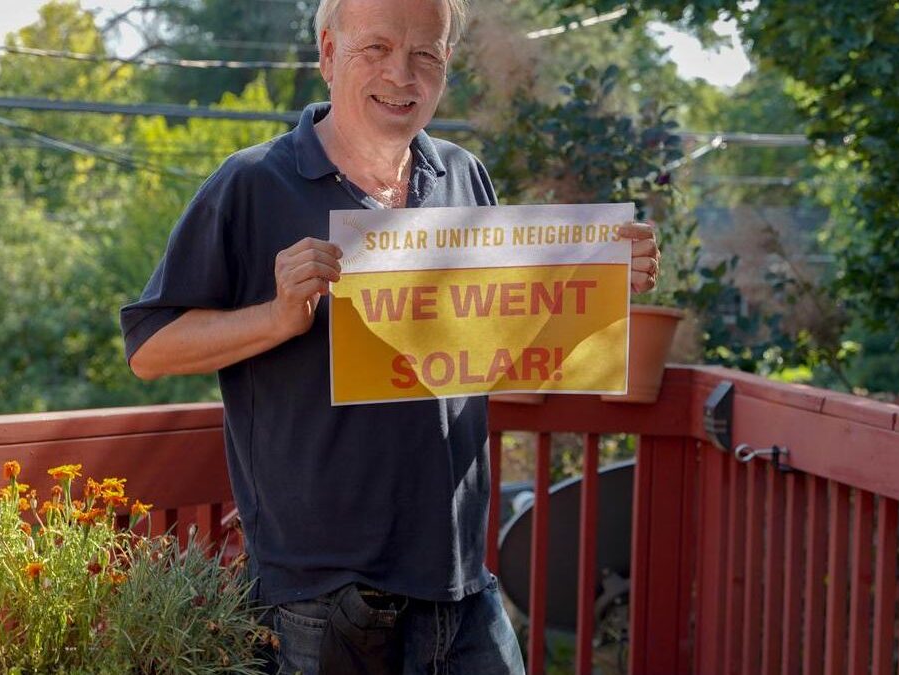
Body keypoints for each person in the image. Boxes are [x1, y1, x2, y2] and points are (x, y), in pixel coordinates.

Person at [120, 0, 661, 672]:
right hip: (318, 597)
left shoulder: (462, 174)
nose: (401, 75)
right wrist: (278, 316)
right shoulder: (253, 182)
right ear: (326, 53)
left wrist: (601, 273)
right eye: (374, 48)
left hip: (460, 580)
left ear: (446, 66)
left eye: (425, 54)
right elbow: (150, 346)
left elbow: (503, 336)